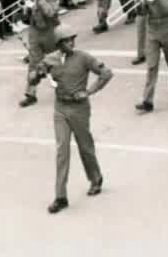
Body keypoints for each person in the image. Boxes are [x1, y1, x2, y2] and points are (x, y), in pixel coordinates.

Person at [39, 26, 112, 214]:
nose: (70, 43)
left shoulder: (83, 57)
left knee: (85, 146)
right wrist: (36, 74)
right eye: (66, 41)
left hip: (79, 108)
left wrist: (89, 91)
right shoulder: (51, 59)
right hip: (60, 108)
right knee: (61, 151)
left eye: (72, 39)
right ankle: (60, 196)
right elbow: (33, 78)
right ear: (58, 44)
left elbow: (106, 73)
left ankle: (96, 178)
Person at [20, 0, 62, 108]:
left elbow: (50, 13)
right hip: (35, 32)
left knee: (54, 62)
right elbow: (25, 20)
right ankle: (30, 94)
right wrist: (26, 9)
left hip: (50, 31)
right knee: (33, 64)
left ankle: (64, 89)